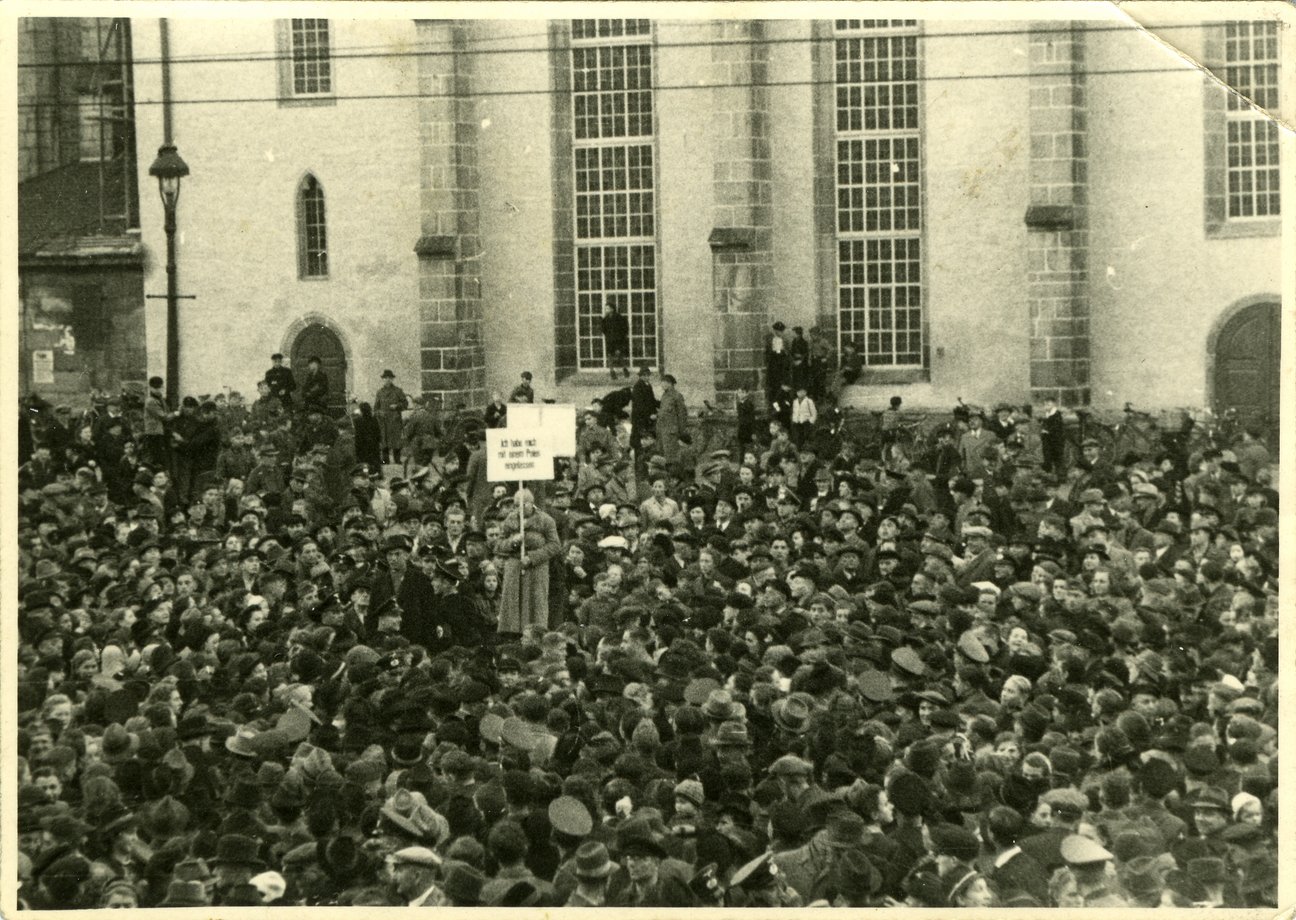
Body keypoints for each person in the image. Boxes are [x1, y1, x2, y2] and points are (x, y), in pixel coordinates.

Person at [497, 489, 561, 638]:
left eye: (523, 505)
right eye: (515, 506)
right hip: (514, 567)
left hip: (536, 569)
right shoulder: (510, 520)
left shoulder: (546, 520)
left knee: (535, 604)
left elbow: (554, 545)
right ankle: (511, 634)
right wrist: (512, 543)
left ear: (531, 504)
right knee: (513, 603)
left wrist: (533, 558)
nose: (519, 510)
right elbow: (498, 544)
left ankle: (535, 634)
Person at [374, 370, 410, 464]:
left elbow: (405, 404)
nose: (387, 380)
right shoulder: (380, 392)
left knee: (396, 440)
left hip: (394, 420)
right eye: (385, 378)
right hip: (383, 421)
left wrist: (397, 406)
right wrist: (379, 412)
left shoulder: (398, 391)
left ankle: (397, 459)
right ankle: (386, 460)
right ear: (383, 379)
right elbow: (376, 408)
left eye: (389, 378)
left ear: (392, 379)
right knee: (384, 440)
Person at [656, 374, 688, 468]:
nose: (663, 384)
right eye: (662, 382)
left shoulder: (677, 396)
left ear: (671, 384)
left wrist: (681, 433)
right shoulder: (664, 396)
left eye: (665, 382)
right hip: (663, 432)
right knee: (664, 459)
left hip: (672, 433)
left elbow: (682, 415)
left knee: (673, 459)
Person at [629, 367, 658, 456]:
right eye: (644, 375)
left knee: (647, 439)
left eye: (648, 375)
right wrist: (649, 415)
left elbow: (652, 401)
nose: (647, 377)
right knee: (640, 439)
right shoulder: (638, 387)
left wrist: (661, 404)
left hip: (647, 417)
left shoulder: (648, 385)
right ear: (640, 376)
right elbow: (639, 405)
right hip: (640, 418)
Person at [600, 303, 630, 380]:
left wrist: (621, 338)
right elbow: (604, 330)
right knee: (610, 356)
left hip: (619, 340)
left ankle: (625, 369)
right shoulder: (605, 319)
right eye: (605, 308)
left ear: (612, 309)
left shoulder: (619, 318)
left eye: (608, 308)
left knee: (620, 355)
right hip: (610, 341)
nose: (606, 310)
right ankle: (612, 372)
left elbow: (624, 329)